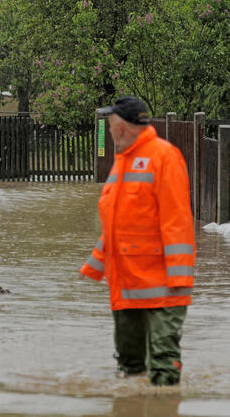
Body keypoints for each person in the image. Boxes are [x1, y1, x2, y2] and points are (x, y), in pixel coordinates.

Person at [80, 96, 195, 386]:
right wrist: (96, 266)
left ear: (120, 127)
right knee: (129, 371)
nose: (108, 128)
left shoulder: (164, 157)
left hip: (163, 287)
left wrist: (179, 281)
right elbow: (115, 225)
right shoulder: (122, 163)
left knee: (164, 371)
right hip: (127, 284)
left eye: (110, 123)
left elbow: (177, 222)